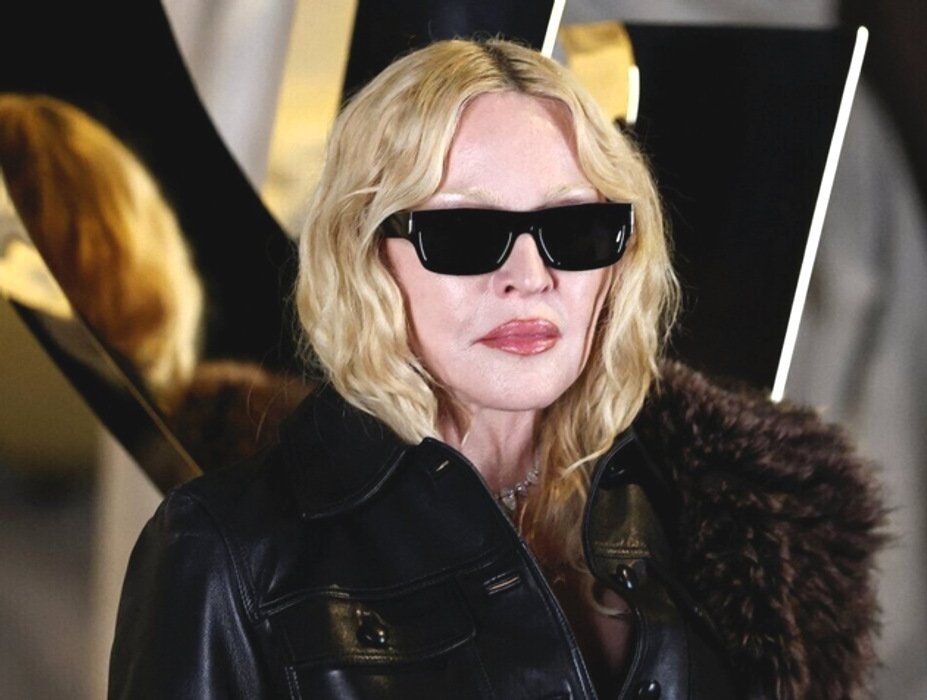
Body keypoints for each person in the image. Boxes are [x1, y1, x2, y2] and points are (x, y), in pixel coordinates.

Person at [108, 38, 883, 699]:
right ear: (364, 257)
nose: (529, 278)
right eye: (465, 234)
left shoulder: (735, 515)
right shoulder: (225, 554)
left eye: (576, 229)